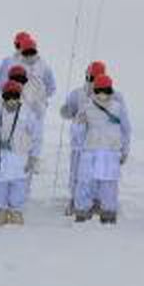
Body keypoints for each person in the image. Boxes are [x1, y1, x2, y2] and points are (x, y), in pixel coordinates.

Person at [72, 74, 130, 224]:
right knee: (85, 183)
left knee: (109, 185)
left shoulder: (118, 108)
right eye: (99, 91)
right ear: (94, 90)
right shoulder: (86, 107)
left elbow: (126, 130)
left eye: (105, 90)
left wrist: (124, 150)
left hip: (110, 153)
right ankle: (82, 213)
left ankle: (108, 214)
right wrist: (79, 124)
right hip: (91, 151)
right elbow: (77, 134)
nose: (102, 95)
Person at [0, 81, 41, 226]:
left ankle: (16, 211)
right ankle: (1, 212)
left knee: (19, 186)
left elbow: (36, 136)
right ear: (3, 96)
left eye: (15, 96)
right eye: (8, 96)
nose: (11, 99)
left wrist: (34, 156)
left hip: (20, 157)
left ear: (19, 96)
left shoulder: (27, 113)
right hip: (1, 158)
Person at [59, 61, 107, 213]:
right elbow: (68, 111)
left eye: (95, 78)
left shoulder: (112, 97)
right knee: (76, 173)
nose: (92, 82)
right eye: (90, 78)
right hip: (79, 145)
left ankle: (96, 201)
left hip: (99, 145)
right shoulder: (78, 94)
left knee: (97, 175)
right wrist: (66, 111)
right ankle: (74, 199)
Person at [0, 32, 56, 144]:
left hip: (36, 106)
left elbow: (51, 86)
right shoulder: (12, 63)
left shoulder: (43, 66)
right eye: (18, 46)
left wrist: (41, 99)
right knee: (17, 132)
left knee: (36, 134)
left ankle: (33, 158)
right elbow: (3, 82)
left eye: (31, 51)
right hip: (16, 103)